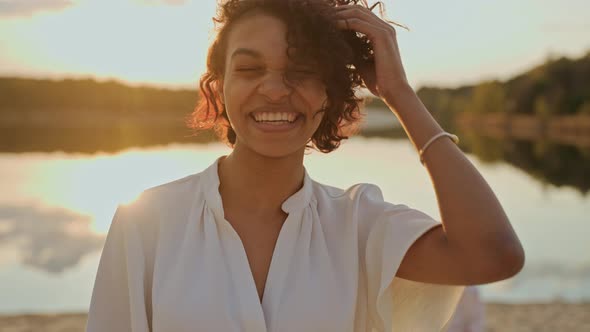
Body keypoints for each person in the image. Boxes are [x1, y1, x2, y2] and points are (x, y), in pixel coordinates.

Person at [86, 0, 525, 331]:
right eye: (249, 69)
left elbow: (493, 255)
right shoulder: (147, 220)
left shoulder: (359, 225)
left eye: (301, 71)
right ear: (220, 88)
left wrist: (399, 94)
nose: (274, 89)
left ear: (330, 94)